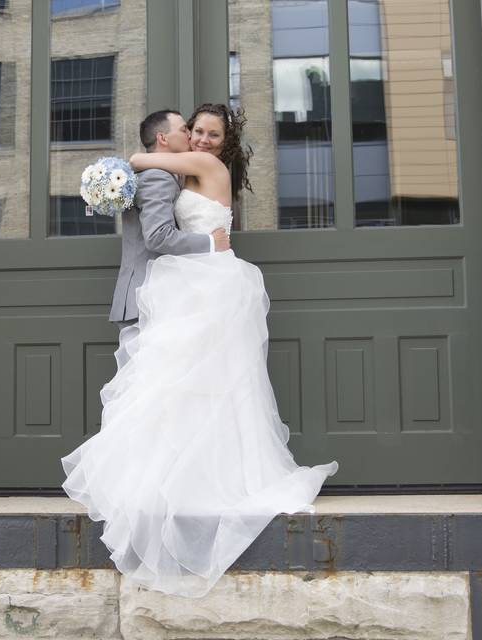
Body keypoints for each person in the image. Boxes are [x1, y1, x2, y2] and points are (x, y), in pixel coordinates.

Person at [61, 103, 338, 598]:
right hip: (189, 284)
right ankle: (181, 481)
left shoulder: (207, 167)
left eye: (211, 133)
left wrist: (127, 163)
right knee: (188, 385)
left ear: (223, 142)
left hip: (212, 284)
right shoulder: (185, 169)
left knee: (212, 382)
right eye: (197, 130)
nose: (204, 139)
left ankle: (212, 483)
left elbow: (140, 160)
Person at [106, 109, 230, 372]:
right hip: (146, 297)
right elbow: (157, 237)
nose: (192, 136)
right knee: (146, 390)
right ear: (163, 138)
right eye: (186, 129)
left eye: (213, 134)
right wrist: (210, 243)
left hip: (164, 294)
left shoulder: (172, 173)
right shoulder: (157, 176)